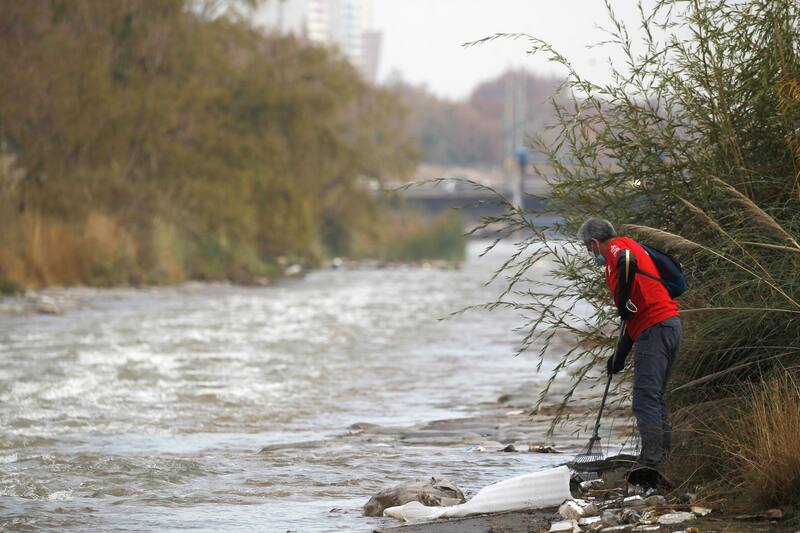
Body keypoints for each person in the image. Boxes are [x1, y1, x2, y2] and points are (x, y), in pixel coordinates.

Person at [578, 217, 682, 484]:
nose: (591, 255)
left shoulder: (617, 248)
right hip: (667, 326)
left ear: (594, 243)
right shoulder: (621, 255)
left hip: (655, 329)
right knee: (655, 398)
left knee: (645, 399)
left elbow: (626, 260)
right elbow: (629, 319)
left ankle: (650, 464)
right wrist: (619, 356)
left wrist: (622, 300)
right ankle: (664, 461)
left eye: (589, 250)